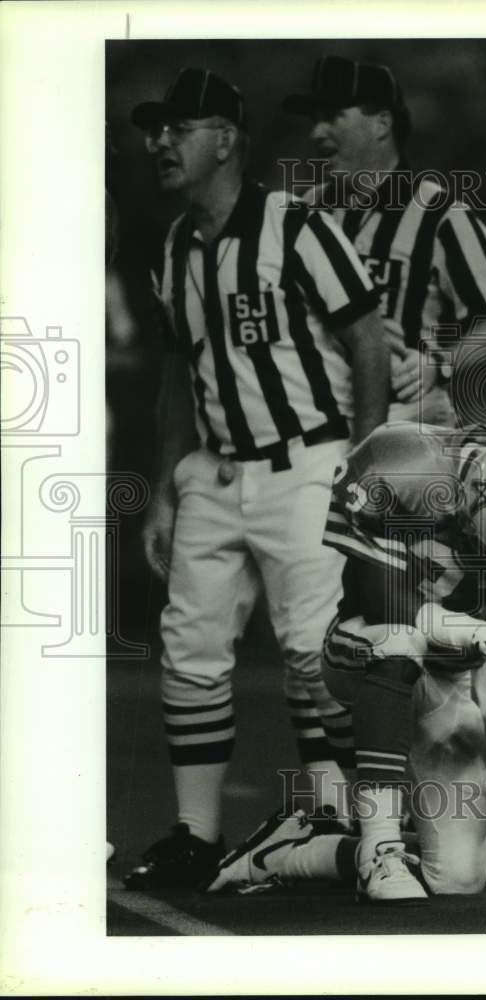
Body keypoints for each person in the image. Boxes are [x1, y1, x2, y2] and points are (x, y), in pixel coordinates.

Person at [123, 67, 390, 890]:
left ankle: (351, 823)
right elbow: (179, 371)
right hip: (213, 469)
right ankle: (196, 834)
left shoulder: (296, 227)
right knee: (190, 651)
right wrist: (166, 485)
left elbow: (367, 341)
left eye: (179, 128)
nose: (160, 143)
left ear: (225, 140)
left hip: (307, 460)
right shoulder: (176, 245)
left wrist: (367, 461)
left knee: (314, 649)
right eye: (157, 130)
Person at [206, 420, 486, 904]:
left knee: (457, 878)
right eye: (477, 544)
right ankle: (380, 847)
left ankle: (288, 851)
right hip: (363, 644)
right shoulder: (403, 464)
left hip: (452, 676)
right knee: (400, 642)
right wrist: (482, 632)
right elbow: (380, 600)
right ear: (463, 501)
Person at [281, 54, 486, 428]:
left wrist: (440, 362)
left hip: (407, 418)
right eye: (315, 119)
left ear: (382, 124)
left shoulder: (442, 216)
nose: (316, 132)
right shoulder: (308, 208)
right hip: (315, 418)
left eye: (332, 116)